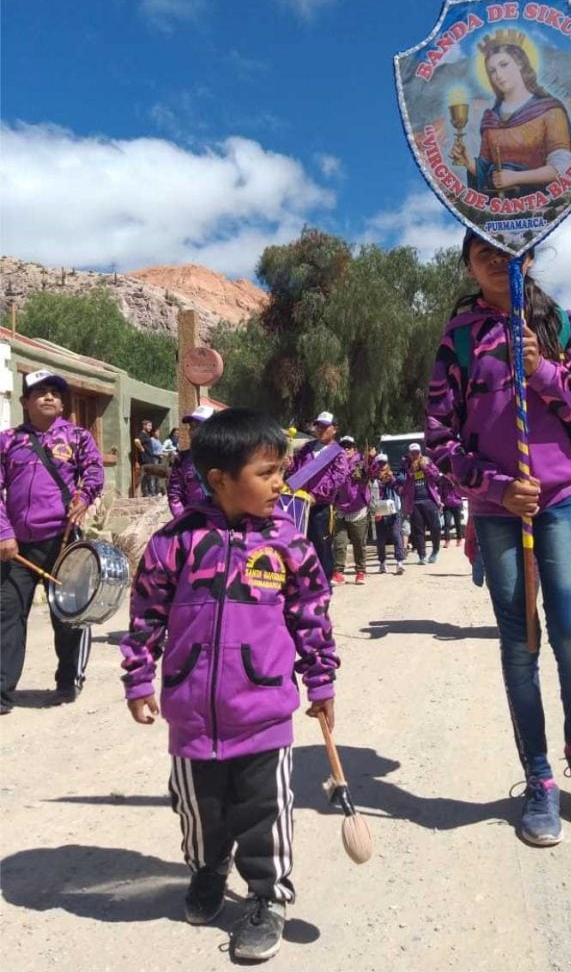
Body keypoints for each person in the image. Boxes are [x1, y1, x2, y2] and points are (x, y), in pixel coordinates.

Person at [120, 408, 339, 962]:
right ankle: (208, 870)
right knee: (200, 812)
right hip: (191, 714)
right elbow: (146, 615)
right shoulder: (176, 542)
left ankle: (267, 897)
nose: (280, 484)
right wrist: (138, 677)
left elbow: (312, 617)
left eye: (281, 471)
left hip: (263, 710)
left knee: (264, 813)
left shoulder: (289, 543)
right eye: (266, 473)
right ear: (220, 479)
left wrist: (320, 681)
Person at [426, 231, 571, 846]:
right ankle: (537, 778)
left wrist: (543, 370)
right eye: (483, 255)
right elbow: (440, 443)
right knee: (519, 641)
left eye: (508, 254)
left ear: (527, 256)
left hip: (557, 500)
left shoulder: (564, 325)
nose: (498, 264)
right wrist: (497, 488)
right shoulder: (455, 343)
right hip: (499, 508)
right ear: (470, 266)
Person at [0, 369, 104, 713]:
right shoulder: (8, 441)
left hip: (62, 542)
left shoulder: (77, 437)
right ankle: (2, 693)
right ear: (25, 401)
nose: (48, 397)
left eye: (55, 393)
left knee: (69, 616)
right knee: (7, 615)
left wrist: (84, 498)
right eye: (39, 392)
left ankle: (67, 681)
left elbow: (93, 471)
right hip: (16, 548)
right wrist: (4, 533)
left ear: (62, 403)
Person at [450, 31, 571, 199]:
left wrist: (517, 177)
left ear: (520, 64)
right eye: (492, 71)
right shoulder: (491, 119)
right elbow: (487, 172)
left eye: (504, 65)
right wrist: (469, 162)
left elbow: (563, 166)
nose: (498, 75)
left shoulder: (550, 110)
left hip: (540, 203)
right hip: (501, 207)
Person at [289, 412, 349, 581]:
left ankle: (324, 582)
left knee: (321, 545)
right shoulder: (307, 448)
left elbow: (338, 478)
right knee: (300, 543)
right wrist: (289, 465)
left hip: (320, 506)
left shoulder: (338, 453)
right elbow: (296, 470)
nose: (321, 429)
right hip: (300, 504)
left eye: (325, 426)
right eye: (318, 426)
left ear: (334, 429)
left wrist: (316, 495)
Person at [331, 435, 372, 586]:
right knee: (339, 543)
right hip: (341, 508)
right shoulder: (335, 464)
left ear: (355, 449)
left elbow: (371, 472)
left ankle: (360, 572)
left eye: (349, 446)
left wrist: (372, 460)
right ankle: (338, 573)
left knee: (358, 543)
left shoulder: (362, 462)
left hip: (358, 509)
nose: (346, 449)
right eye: (343, 446)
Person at [167, 405, 215, 518]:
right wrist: (184, 522)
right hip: (195, 526)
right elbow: (175, 495)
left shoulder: (228, 457)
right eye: (191, 426)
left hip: (223, 527)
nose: (193, 430)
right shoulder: (182, 459)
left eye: (198, 426)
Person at [399, 443, 442, 564]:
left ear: (420, 452)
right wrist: (409, 473)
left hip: (429, 500)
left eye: (417, 452)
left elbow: (436, 477)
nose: (415, 455)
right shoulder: (406, 466)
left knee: (436, 527)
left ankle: (435, 551)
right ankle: (422, 555)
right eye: (412, 453)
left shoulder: (427, 462)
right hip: (414, 502)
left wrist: (425, 467)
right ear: (409, 454)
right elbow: (401, 482)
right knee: (418, 530)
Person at [371, 453, 405, 575]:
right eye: (379, 463)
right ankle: (382, 563)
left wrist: (391, 479)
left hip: (393, 511)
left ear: (387, 464)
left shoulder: (393, 476)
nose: (381, 466)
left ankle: (400, 562)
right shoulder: (373, 478)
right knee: (380, 540)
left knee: (396, 536)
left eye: (383, 463)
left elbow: (400, 488)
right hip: (379, 512)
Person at [134, 418, 158, 497]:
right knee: (145, 476)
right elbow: (136, 441)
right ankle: (146, 493)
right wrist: (141, 448)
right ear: (144, 426)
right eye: (149, 426)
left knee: (150, 476)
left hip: (150, 458)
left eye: (151, 426)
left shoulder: (147, 435)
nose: (150, 428)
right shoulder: (142, 434)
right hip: (145, 459)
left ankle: (151, 492)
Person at [439, 473, 464, 546]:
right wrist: (441, 501)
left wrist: (454, 483)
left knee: (458, 523)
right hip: (447, 504)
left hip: (457, 503)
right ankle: (447, 540)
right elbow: (440, 491)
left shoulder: (456, 478)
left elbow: (461, 489)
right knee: (447, 523)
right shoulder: (442, 479)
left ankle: (459, 539)